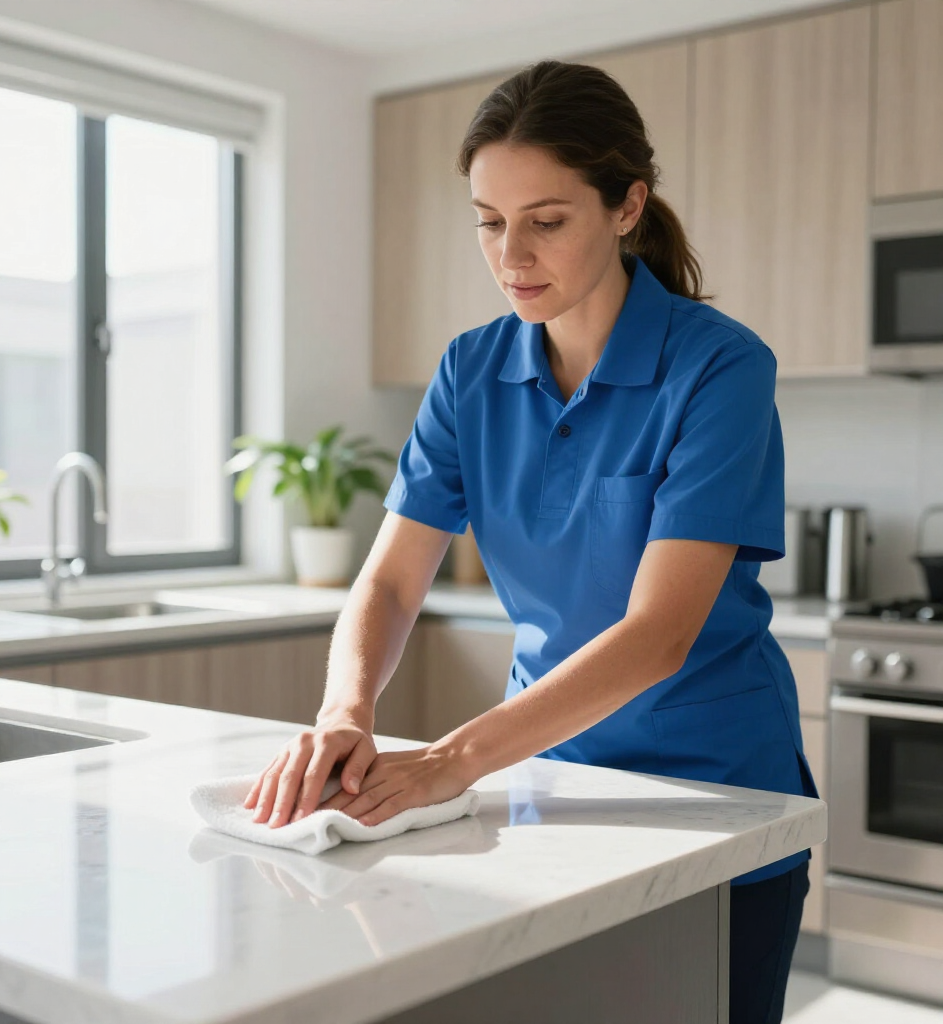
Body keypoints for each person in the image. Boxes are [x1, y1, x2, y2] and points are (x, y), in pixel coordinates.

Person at [244, 60, 817, 1024]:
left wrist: (451, 760)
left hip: (711, 788)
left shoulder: (718, 367)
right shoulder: (471, 371)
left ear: (627, 205)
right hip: (542, 775)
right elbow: (388, 585)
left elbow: (659, 633)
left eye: (547, 220)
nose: (512, 253)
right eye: (488, 219)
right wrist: (346, 711)